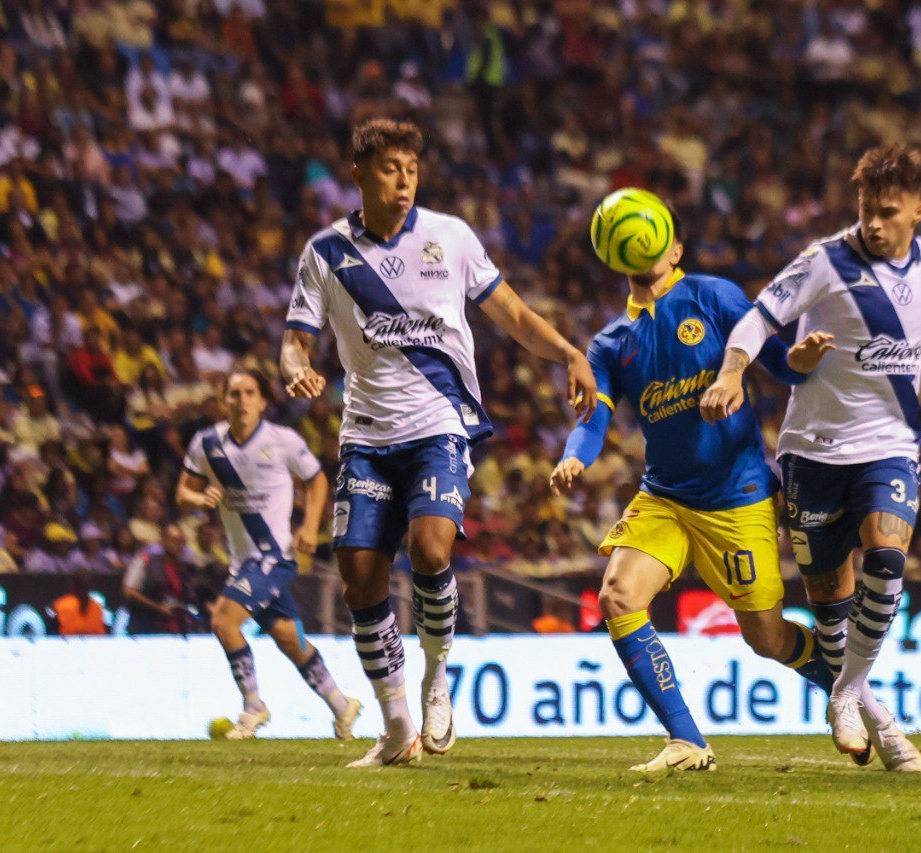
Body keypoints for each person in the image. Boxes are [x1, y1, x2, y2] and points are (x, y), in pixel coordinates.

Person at [280, 117, 595, 768]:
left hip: (439, 424)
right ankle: (395, 726)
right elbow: (296, 338)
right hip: (367, 433)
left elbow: (510, 312)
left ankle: (436, 674)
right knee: (359, 578)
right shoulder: (326, 252)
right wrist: (294, 368)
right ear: (360, 173)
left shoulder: (450, 237)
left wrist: (568, 353)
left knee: (430, 548)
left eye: (412, 169)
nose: (404, 180)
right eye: (391, 168)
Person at [702, 144, 921, 772]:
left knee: (887, 560)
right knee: (830, 602)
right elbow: (757, 318)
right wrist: (731, 374)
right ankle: (871, 710)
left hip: (889, 447)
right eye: (866, 211)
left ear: (918, 209)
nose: (874, 224)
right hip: (812, 451)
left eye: (888, 213)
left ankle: (842, 694)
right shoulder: (823, 262)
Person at [550, 200, 842, 773]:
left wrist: (801, 360)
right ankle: (687, 741)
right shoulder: (611, 343)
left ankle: (843, 689)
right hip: (664, 497)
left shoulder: (715, 296)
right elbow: (593, 420)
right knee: (617, 597)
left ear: (676, 249)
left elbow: (777, 362)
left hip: (737, 498)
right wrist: (572, 458)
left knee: (766, 638)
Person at [176, 369, 362, 741]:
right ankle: (342, 706)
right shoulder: (207, 443)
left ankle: (253, 707)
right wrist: (199, 498)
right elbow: (183, 493)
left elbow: (317, 479)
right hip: (242, 561)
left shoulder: (283, 441)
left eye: (249, 393)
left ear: (262, 401)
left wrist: (309, 526)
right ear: (223, 401)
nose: (241, 400)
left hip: (274, 556)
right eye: (233, 393)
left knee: (224, 622)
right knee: (288, 639)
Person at [123, 523, 195, 635]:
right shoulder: (145, 561)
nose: (179, 545)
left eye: (182, 541)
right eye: (175, 540)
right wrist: (157, 607)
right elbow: (129, 591)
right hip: (147, 627)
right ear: (163, 541)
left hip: (178, 629)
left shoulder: (185, 568)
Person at [53, 571, 108, 636]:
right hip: (92, 644)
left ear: (72, 584)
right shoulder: (97, 607)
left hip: (67, 644)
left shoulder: (60, 605)